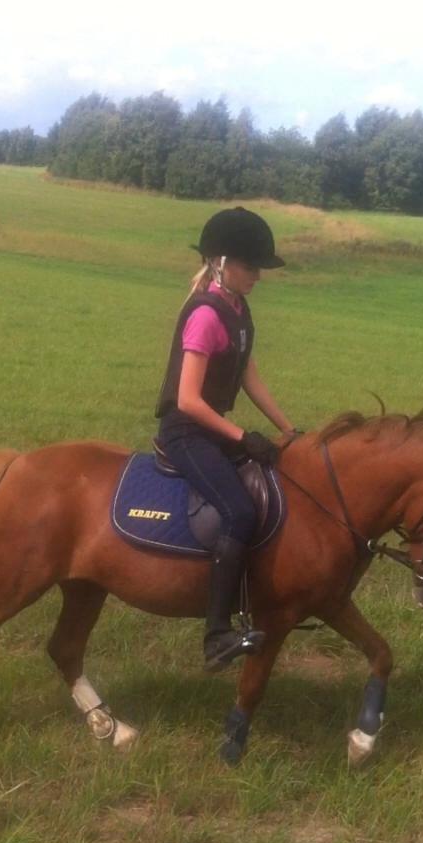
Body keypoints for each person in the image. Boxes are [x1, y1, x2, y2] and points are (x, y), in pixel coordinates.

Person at [155, 207, 296, 673]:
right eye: (251, 266)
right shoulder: (205, 315)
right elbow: (188, 399)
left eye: (259, 268)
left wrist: (286, 427)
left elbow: (248, 376)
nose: (258, 275)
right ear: (221, 263)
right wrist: (242, 436)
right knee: (238, 510)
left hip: (211, 427)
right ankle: (216, 635)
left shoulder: (238, 310)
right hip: (187, 431)